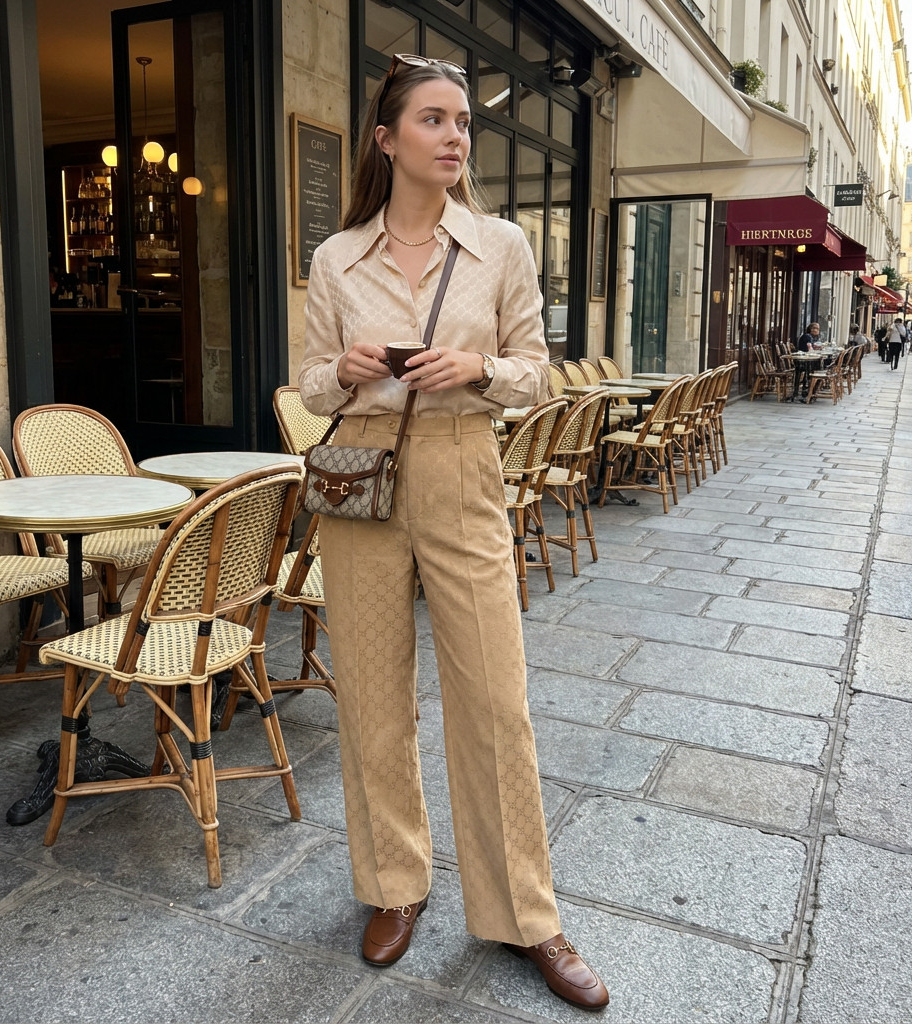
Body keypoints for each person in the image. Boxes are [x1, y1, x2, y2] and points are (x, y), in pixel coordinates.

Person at [299, 54, 609, 1012]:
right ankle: (395, 887)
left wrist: (474, 364)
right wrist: (346, 370)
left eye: (463, 121)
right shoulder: (335, 257)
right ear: (387, 140)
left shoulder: (501, 244)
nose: (456, 136)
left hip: (464, 466)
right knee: (374, 699)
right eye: (434, 120)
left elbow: (536, 369)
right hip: (361, 475)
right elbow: (309, 387)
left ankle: (528, 914)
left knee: (494, 698)